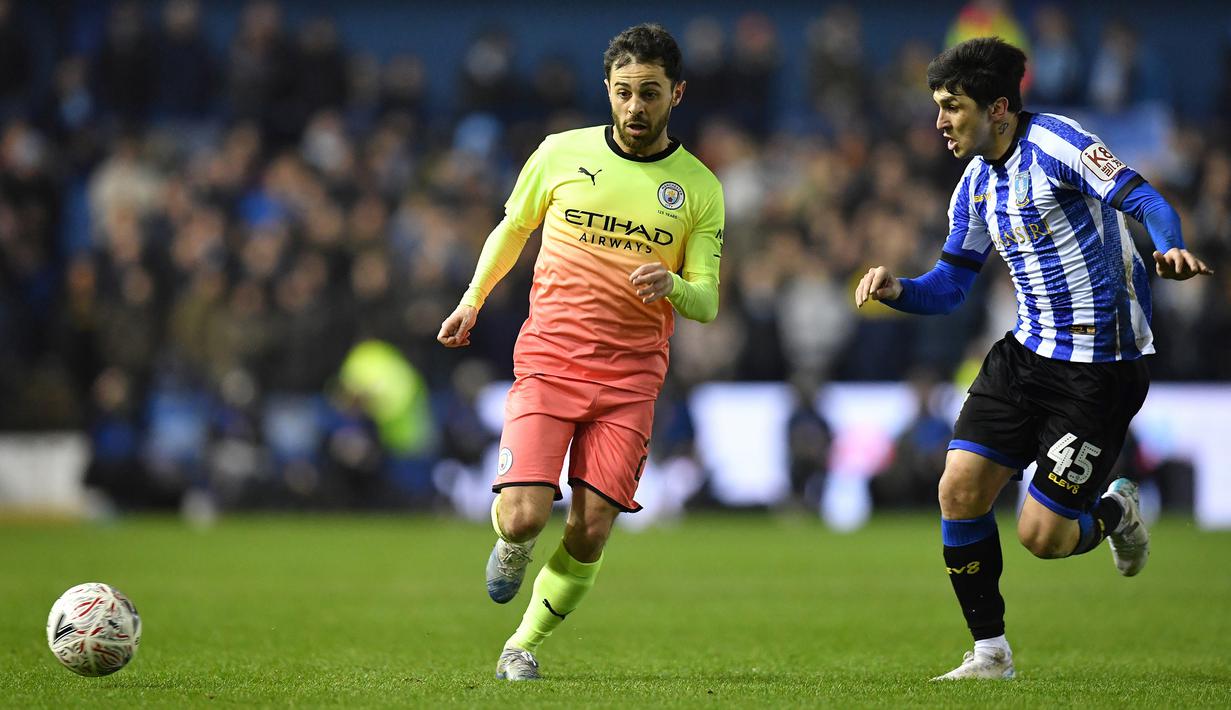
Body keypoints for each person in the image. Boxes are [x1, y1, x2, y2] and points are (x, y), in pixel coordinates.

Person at [854, 37, 1212, 681]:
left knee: (1042, 538)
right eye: (937, 106)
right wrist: (898, 290)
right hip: (1025, 354)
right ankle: (990, 653)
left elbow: (1143, 197)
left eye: (952, 106)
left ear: (997, 109)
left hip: (1099, 369)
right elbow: (952, 285)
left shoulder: (1059, 144)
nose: (940, 121)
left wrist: (1171, 247)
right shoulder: (973, 186)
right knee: (958, 490)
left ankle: (1115, 510)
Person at [437, 23, 724, 681]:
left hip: (630, 376)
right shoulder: (559, 153)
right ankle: (512, 543)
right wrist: (472, 299)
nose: (634, 107)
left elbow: (706, 302)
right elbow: (514, 228)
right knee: (523, 515)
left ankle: (522, 645)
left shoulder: (699, 189)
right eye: (623, 92)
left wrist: (673, 284)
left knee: (591, 528)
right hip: (551, 356)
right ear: (607, 89)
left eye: (649, 93)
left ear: (675, 93)